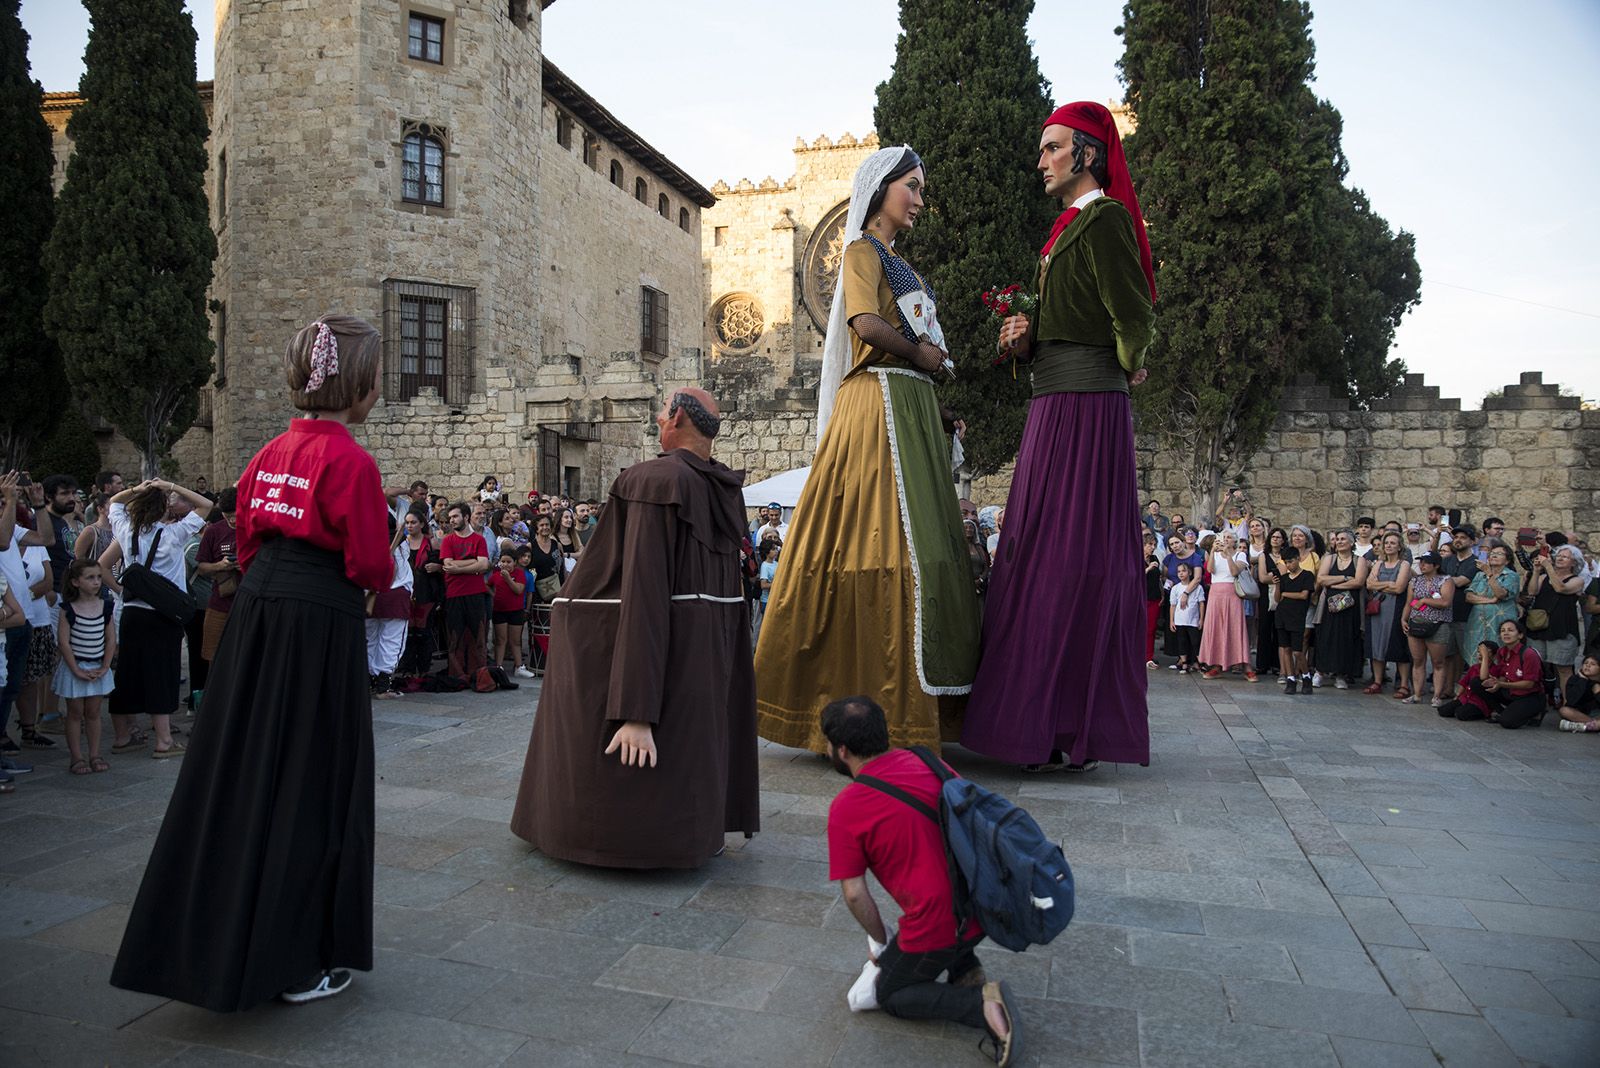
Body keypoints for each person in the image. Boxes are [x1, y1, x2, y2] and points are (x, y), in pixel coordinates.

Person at [111, 314, 395, 1010]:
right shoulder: (352, 461)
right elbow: (369, 563)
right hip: (318, 622)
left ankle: (214, 938)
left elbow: (247, 540)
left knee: (242, 768)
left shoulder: (268, 451)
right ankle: (294, 955)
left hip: (261, 615)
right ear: (358, 383)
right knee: (312, 778)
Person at [755, 145, 980, 754]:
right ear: (881, 189)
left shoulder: (899, 262)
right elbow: (864, 323)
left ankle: (922, 712)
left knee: (927, 553)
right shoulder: (860, 251)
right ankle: (862, 710)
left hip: (909, 404)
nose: (920, 198)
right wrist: (919, 354)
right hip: (876, 402)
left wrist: (937, 402)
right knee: (878, 546)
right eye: (912, 185)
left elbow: (910, 332)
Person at [963, 101, 1155, 773]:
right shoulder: (1068, 228)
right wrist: (1025, 333)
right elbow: (1074, 316)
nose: (1040, 160)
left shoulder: (1105, 220)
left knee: (1066, 557)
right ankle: (1033, 719)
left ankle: (1063, 725)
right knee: (1034, 552)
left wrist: (1124, 368)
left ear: (1087, 154)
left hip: (1084, 409)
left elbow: (1134, 315)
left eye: (1051, 147)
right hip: (1055, 402)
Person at [510, 388, 759, 868]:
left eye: (662, 411)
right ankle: (699, 829)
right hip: (703, 658)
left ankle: (603, 837)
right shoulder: (723, 488)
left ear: (677, 416)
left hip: (653, 657)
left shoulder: (653, 480)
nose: (659, 420)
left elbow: (644, 594)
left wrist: (636, 713)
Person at [821, 696, 1022, 1066]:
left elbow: (853, 894)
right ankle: (965, 968)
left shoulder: (847, 808)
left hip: (939, 923)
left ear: (843, 751)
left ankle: (981, 1004)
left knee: (892, 994)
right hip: (987, 905)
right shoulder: (928, 760)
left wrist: (881, 943)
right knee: (937, 922)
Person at [104, 478, 209, 756]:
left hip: (132, 611)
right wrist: (172, 485)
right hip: (163, 614)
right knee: (161, 673)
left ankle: (122, 736)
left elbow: (114, 502)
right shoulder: (173, 533)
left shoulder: (126, 530)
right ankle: (163, 741)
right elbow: (207, 505)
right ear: (164, 508)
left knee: (128, 671)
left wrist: (138, 489)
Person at [53, 559, 115, 774]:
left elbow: (110, 640)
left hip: (98, 666)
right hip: (75, 666)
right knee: (75, 712)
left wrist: (106, 666)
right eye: (90, 577)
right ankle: (77, 756)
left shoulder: (106, 606)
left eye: (98, 577)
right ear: (76, 582)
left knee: (94, 711)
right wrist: (76, 669)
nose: (96, 582)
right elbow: (64, 642)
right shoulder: (68, 609)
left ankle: (95, 754)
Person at [1440, 619, 1545, 729]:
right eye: (1503, 630)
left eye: (1510, 630)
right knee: (1477, 682)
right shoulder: (1502, 652)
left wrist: (1501, 684)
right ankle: (1501, 711)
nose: (1506, 633)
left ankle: (1533, 713)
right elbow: (1504, 674)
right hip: (1510, 692)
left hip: (1528, 696)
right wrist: (1496, 683)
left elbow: (1529, 684)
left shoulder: (1528, 654)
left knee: (1507, 722)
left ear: (1520, 635)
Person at [440, 500, 489, 683]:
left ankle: (479, 675)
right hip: (454, 595)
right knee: (455, 639)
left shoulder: (479, 540)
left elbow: (484, 564)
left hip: (475, 594)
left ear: (466, 517)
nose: (451, 520)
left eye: (455, 516)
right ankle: (458, 676)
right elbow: (447, 564)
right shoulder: (448, 541)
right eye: (450, 517)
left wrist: (459, 568)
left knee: (478, 637)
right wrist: (472, 563)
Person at [1525, 545, 1584, 694]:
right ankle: (1538, 701)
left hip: (1562, 628)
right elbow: (1532, 592)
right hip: (1540, 627)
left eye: (1565, 557)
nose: (1560, 558)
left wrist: (1548, 566)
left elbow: (1561, 588)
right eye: (1558, 555)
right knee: (1536, 665)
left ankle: (1567, 702)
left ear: (1574, 563)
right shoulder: (1544, 577)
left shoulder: (1577, 581)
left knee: (1563, 668)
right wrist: (1537, 571)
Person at [1314, 529, 1368, 689]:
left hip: (1350, 608)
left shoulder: (1360, 561)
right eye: (1337, 539)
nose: (1339, 541)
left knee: (1346, 639)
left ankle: (1341, 674)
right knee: (1325, 637)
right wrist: (1344, 578)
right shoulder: (1329, 559)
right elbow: (1321, 579)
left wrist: (1333, 584)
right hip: (1328, 607)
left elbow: (1358, 582)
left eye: (1343, 539)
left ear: (1351, 543)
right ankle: (1320, 672)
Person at [194, 487, 241, 670]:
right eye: (227, 516)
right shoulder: (214, 531)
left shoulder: (254, 528)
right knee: (214, 657)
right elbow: (201, 566)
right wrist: (220, 566)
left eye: (236, 515)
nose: (233, 520)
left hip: (248, 604)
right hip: (219, 603)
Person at [365, 516, 412, 698]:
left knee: (371, 639)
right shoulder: (401, 546)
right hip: (394, 594)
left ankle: (370, 680)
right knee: (391, 640)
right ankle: (383, 685)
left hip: (370, 594)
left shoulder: (367, 543)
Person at [1198, 532, 1255, 681]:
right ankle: (1216, 664)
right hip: (1216, 594)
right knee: (1216, 628)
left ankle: (1245, 665)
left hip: (1232, 594)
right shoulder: (1214, 554)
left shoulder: (1240, 555)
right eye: (1223, 537)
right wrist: (1212, 551)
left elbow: (1235, 571)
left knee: (1235, 628)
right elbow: (1210, 570)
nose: (1225, 540)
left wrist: (1228, 555)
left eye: (1229, 537)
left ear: (1235, 541)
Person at [1400, 551, 1452, 707]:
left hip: (1438, 623)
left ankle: (1437, 695)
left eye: (1426, 562)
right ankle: (1416, 694)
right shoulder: (1415, 581)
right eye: (1421, 562)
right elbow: (1409, 602)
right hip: (1417, 622)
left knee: (1438, 661)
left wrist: (1424, 600)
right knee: (1418, 660)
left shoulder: (1445, 580)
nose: (1422, 565)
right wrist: (1404, 618)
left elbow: (1445, 602)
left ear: (1436, 565)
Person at [1363, 531, 1412, 696]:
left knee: (1398, 645)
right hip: (1378, 609)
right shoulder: (1379, 563)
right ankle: (1378, 681)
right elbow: (1369, 584)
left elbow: (1399, 588)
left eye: (1393, 543)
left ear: (1399, 546)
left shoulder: (1404, 564)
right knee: (1376, 643)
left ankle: (1404, 684)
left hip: (1395, 609)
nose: (1389, 546)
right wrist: (1388, 584)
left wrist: (1380, 584)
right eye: (1387, 543)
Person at [1465, 543, 1520, 655]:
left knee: (1499, 653)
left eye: (1499, 554)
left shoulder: (1511, 576)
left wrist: (1490, 574)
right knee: (1478, 655)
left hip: (1499, 623)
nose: (1494, 556)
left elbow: (1500, 594)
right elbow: (1469, 597)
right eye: (1492, 553)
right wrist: (1490, 600)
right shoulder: (1480, 575)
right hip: (1478, 623)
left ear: (1507, 560)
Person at [1274, 548, 1316, 694]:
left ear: (1298, 559)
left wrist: (1286, 593)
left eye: (1291, 561)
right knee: (1286, 649)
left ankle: (1305, 676)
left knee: (1298, 652)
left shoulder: (1307, 576)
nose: (1289, 565)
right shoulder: (1285, 578)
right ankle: (1290, 677)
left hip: (1297, 617)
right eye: (1286, 562)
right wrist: (1278, 585)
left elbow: (1304, 595)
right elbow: (1277, 599)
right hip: (1282, 616)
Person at [488, 549, 531, 678]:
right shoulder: (495, 575)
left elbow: (519, 590)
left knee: (515, 641)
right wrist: (493, 595)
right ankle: (498, 666)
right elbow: (486, 584)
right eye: (503, 561)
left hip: (516, 611)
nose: (505, 564)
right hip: (499, 611)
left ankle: (519, 666)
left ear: (515, 563)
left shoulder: (520, 574)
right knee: (501, 640)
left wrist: (508, 579)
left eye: (509, 562)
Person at [1168, 562, 1204, 673]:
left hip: (1193, 620)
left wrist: (1201, 619)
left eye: (1183, 571)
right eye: (1179, 571)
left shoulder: (1198, 587)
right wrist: (1171, 620)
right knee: (1181, 641)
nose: (1181, 573)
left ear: (1190, 572)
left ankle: (1198, 661)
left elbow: (1201, 603)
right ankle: (1184, 662)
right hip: (1179, 620)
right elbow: (1172, 605)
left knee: (1195, 641)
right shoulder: (1175, 588)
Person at [1556, 653, 1600, 732]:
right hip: (1582, 713)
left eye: (1593, 664)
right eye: (1585, 663)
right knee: (1564, 710)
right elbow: (1571, 701)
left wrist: (1597, 692)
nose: (1588, 666)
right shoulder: (1575, 679)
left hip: (1597, 713)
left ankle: (1586, 726)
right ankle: (1594, 725)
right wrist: (1583, 681)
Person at [752, 540, 779, 646]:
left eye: (776, 549)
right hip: (766, 601)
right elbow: (764, 585)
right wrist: (777, 584)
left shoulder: (776, 564)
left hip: (774, 600)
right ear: (767, 552)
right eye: (773, 549)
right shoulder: (765, 566)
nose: (776, 551)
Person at [1142, 531, 1163, 669]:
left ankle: (1148, 657)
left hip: (1154, 597)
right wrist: (1148, 568)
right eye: (1150, 544)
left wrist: (1162, 594)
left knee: (1151, 628)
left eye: (1154, 544)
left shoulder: (1155, 557)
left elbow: (1159, 578)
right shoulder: (1136, 558)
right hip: (1140, 598)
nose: (1152, 547)